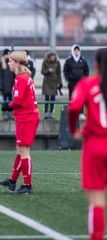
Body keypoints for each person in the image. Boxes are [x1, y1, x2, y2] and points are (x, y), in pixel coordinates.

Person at [68, 48, 107, 240]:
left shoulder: (87, 83)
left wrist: (74, 129)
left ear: (96, 65)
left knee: (97, 200)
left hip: (96, 144)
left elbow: (74, 107)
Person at [0, 51, 40, 195]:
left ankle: (27, 186)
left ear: (16, 63)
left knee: (24, 152)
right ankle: (12, 181)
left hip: (26, 118)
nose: (8, 63)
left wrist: (7, 105)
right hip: (26, 117)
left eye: (10, 61)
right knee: (20, 149)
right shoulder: (24, 77)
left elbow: (19, 101)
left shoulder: (21, 79)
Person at [63, 44, 89, 120]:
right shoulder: (68, 60)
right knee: (72, 97)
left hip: (81, 83)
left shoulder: (83, 60)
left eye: (78, 50)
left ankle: (80, 113)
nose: (76, 51)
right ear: (73, 51)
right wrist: (67, 78)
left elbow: (86, 71)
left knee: (81, 98)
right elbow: (65, 70)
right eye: (75, 50)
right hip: (72, 83)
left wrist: (85, 78)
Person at [41, 51, 62, 119]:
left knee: (53, 98)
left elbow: (59, 73)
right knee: (47, 98)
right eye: (52, 56)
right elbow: (42, 71)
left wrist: (60, 83)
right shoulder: (45, 62)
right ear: (49, 57)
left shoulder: (57, 63)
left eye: (54, 56)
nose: (53, 58)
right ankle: (46, 114)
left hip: (54, 82)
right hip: (47, 82)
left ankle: (51, 113)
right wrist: (48, 70)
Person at [0, 49, 14, 120]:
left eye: (9, 54)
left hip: (11, 86)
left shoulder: (12, 63)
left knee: (11, 101)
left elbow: (14, 75)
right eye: (6, 54)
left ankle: (10, 114)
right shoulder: (1, 63)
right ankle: (5, 114)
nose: (8, 56)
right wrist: (0, 86)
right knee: (4, 101)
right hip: (4, 86)